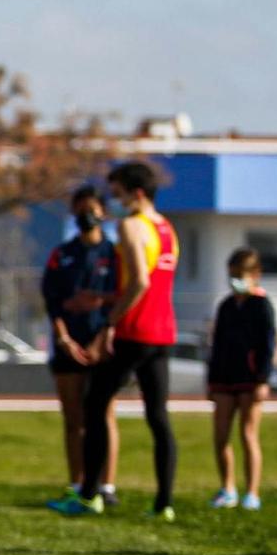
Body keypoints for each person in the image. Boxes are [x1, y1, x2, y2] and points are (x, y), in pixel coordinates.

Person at [52, 161, 179, 520]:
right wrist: (105, 298)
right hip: (162, 331)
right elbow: (153, 283)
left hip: (134, 331)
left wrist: (109, 322)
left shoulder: (132, 226)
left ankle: (90, 493)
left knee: (94, 405)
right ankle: (164, 503)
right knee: (158, 416)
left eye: (119, 193)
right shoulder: (166, 228)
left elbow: (139, 281)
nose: (116, 202)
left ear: (136, 193)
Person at [41, 185, 119, 503]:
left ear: (103, 212)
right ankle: (77, 482)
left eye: (94, 209)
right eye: (81, 209)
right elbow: (53, 300)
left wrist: (103, 337)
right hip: (68, 346)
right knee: (74, 419)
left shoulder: (114, 255)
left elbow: (121, 298)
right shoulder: (62, 255)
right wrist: (63, 338)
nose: (88, 216)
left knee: (104, 416)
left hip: (103, 345)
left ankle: (106, 485)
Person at [207, 247, 275, 511]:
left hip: (250, 378)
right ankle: (227, 489)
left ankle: (252, 493)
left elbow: (268, 345)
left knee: (248, 434)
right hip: (225, 377)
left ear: (255, 275)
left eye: (241, 275)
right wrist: (212, 381)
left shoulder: (261, 305)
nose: (235, 280)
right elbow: (217, 344)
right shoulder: (225, 306)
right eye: (232, 275)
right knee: (221, 435)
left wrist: (263, 379)